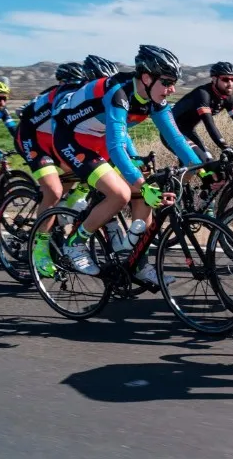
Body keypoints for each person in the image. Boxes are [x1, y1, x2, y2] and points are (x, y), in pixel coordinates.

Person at [51, 45, 205, 284]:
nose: (171, 89)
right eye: (166, 82)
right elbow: (115, 146)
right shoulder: (118, 93)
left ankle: (136, 262)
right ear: (146, 77)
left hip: (99, 137)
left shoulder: (154, 100)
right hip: (71, 138)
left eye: (173, 82)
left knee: (146, 192)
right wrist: (141, 184)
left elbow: (175, 138)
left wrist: (200, 166)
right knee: (120, 193)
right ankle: (75, 243)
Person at [14, 62, 89, 276]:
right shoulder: (52, 97)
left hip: (53, 140)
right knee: (54, 191)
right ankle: (39, 246)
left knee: (86, 171)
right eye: (71, 84)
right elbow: (28, 120)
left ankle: (60, 206)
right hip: (31, 139)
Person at [167, 61, 233, 162]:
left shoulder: (229, 98)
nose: (230, 83)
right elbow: (209, 124)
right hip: (171, 130)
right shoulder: (203, 94)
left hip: (188, 131)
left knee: (207, 160)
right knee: (200, 161)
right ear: (214, 79)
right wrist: (225, 146)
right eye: (225, 79)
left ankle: (180, 177)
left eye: (232, 79)